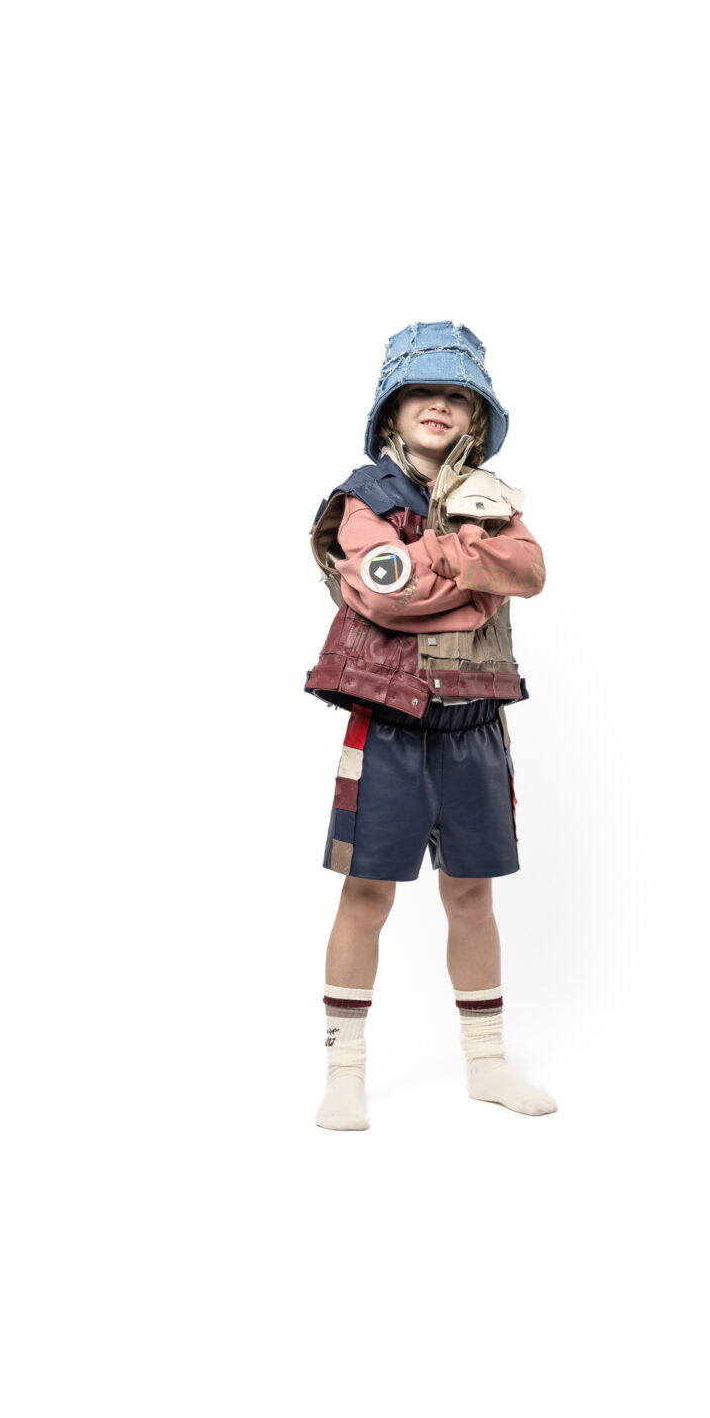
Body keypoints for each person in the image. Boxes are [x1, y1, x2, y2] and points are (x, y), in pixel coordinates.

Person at [304, 321, 557, 1131]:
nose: (439, 406)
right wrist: (472, 573)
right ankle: (344, 1071)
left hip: (475, 721)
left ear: (477, 415)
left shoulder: (497, 499)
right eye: (422, 392)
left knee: (473, 894)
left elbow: (529, 569)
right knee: (366, 892)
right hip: (386, 722)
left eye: (457, 394)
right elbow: (383, 593)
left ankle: (486, 1063)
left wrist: (434, 562)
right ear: (392, 409)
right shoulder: (363, 497)